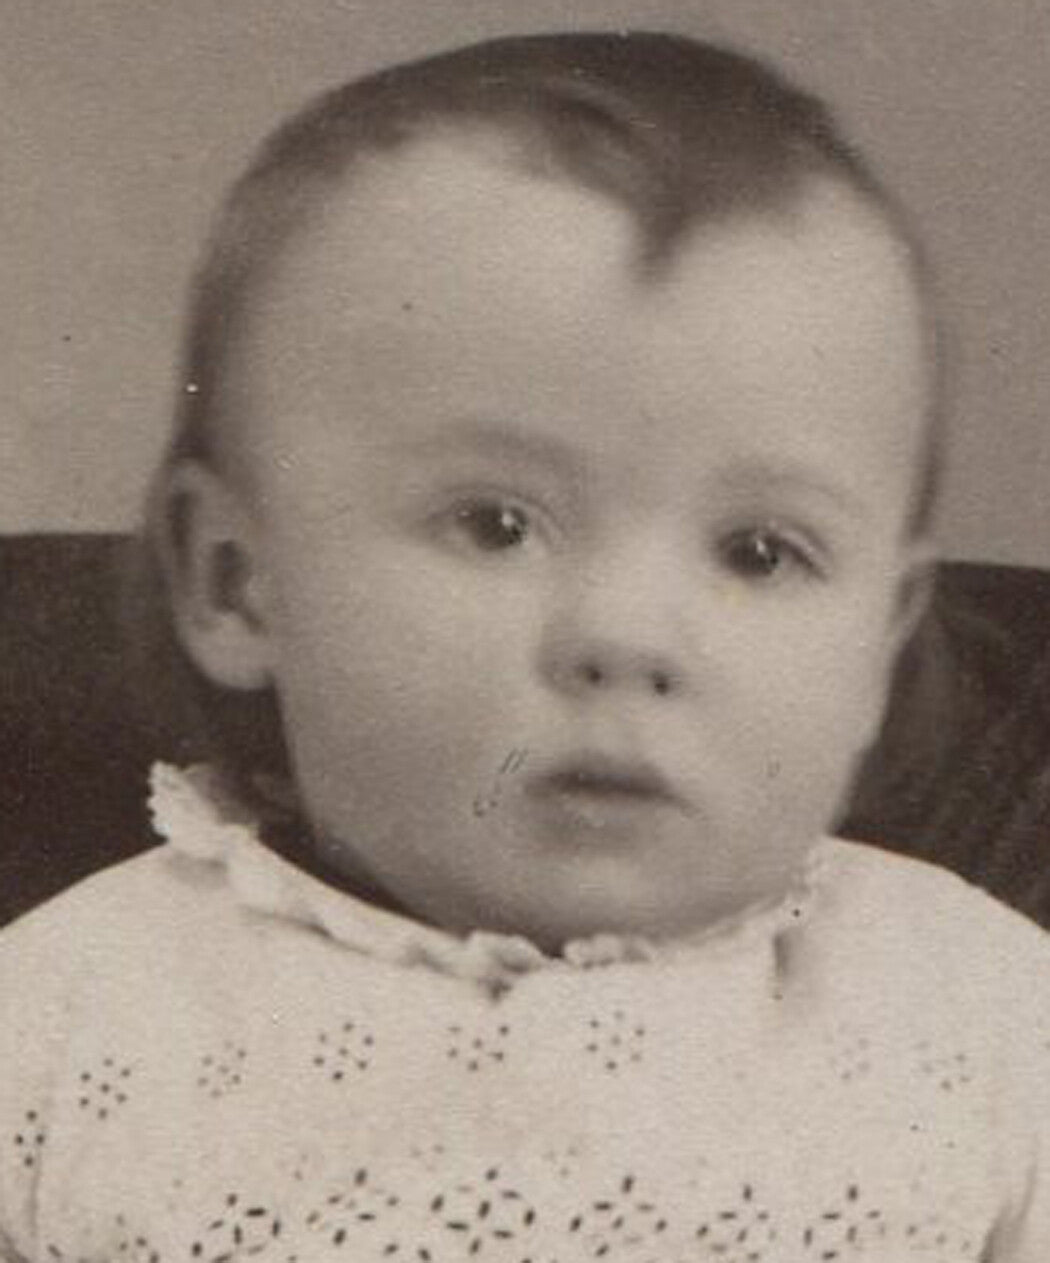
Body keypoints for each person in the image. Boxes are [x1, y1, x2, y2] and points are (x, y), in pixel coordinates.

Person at [1, 30, 1048, 1261]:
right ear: (238, 583)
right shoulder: (77, 1011)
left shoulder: (977, 1013)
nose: (625, 638)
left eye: (760, 552)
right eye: (496, 525)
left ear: (881, 642)